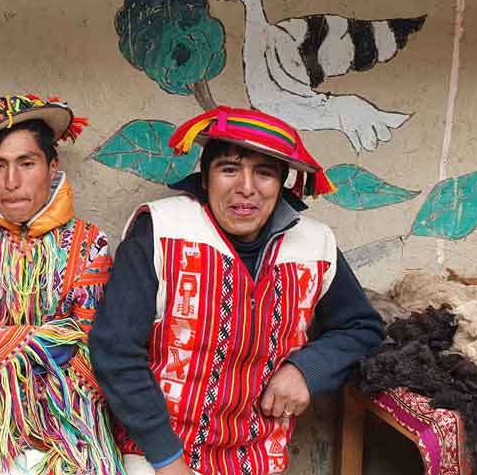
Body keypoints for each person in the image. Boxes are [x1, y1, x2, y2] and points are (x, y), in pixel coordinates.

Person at [90, 106, 385, 475]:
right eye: (229, 168)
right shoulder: (161, 230)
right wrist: (167, 459)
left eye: (264, 172)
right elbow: (114, 349)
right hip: (155, 453)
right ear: (206, 176)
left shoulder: (314, 245)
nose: (246, 187)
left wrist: (306, 370)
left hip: (258, 457)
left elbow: (363, 328)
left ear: (282, 184)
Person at [0, 94, 139, 474]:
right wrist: (53, 335)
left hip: (71, 427)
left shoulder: (90, 245)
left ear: (52, 167)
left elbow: (93, 347)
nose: (12, 182)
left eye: (27, 163)